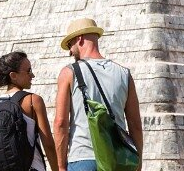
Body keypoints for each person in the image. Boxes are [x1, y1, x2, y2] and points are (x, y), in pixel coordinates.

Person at [53, 18, 143, 171]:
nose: (69, 51)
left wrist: (60, 167)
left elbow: (60, 123)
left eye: (70, 45)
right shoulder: (124, 74)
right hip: (117, 160)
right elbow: (135, 125)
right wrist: (138, 163)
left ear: (79, 39)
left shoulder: (69, 73)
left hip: (83, 157)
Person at [0, 51, 59, 171]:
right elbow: (48, 145)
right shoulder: (32, 100)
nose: (32, 75)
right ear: (13, 75)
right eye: (28, 71)